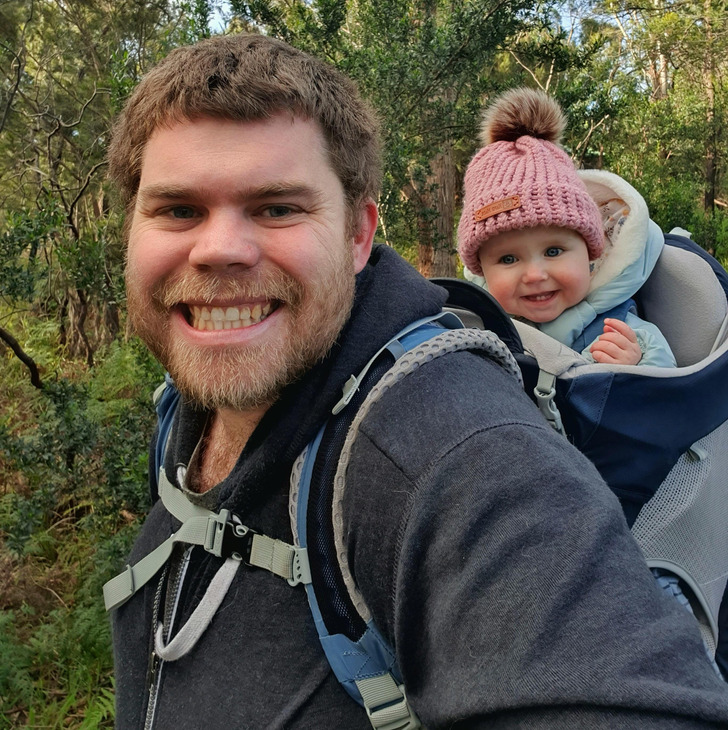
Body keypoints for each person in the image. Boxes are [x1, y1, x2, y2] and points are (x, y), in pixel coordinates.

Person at [107, 33, 728, 729]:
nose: (220, 249)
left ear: (359, 234)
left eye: (278, 207)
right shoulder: (183, 409)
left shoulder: (454, 446)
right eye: (178, 210)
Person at [458, 87, 677, 368]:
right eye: (508, 259)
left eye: (553, 251)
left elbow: (669, 389)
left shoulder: (622, 331)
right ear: (482, 270)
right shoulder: (478, 327)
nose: (535, 275)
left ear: (591, 253)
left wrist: (635, 368)